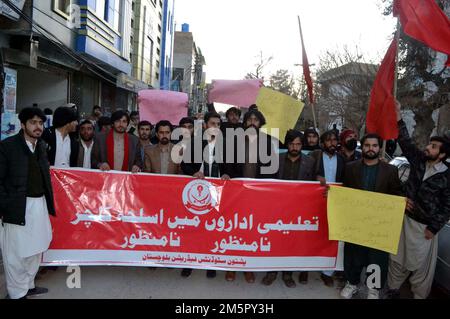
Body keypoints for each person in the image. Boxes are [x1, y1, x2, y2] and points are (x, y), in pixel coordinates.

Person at [386, 101, 450, 299]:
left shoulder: (447, 176)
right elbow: (405, 142)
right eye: (430, 144)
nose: (428, 148)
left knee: (420, 268)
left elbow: (447, 206)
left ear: (442, 154)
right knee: (396, 261)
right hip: (403, 221)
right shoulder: (419, 161)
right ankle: (392, 292)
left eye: (433, 146)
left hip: (424, 231)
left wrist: (433, 227)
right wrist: (398, 116)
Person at [0, 108, 55, 299]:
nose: (38, 127)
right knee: (15, 254)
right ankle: (16, 293)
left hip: (38, 205)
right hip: (16, 207)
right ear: (22, 125)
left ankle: (28, 285)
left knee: (36, 247)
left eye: (40, 123)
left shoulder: (41, 146)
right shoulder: (8, 147)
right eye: (33, 122)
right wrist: (6, 205)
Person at [340, 133, 403, 299]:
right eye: (367, 145)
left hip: (379, 224)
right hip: (356, 221)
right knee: (353, 254)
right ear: (363, 146)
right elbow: (344, 192)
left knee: (377, 257)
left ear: (379, 148)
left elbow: (396, 193)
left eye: (374, 146)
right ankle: (352, 283)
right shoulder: (350, 167)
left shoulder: (391, 170)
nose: (370, 149)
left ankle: (373, 288)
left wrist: (400, 202)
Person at [261, 130, 316, 288]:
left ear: (302, 145)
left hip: (298, 210)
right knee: (274, 239)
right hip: (277, 208)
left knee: (292, 241)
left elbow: (313, 185)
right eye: (292, 144)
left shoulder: (310, 162)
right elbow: (267, 182)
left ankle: (288, 274)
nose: (295, 147)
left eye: (298, 144)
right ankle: (271, 272)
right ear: (287, 144)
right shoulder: (276, 159)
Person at [229, 108, 278, 284]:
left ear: (260, 124)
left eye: (255, 121)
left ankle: (248, 268)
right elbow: (228, 166)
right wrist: (229, 177)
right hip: (236, 194)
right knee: (234, 230)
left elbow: (272, 170)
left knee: (252, 232)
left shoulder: (267, 144)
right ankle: (233, 267)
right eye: (249, 120)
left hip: (257, 196)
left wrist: (262, 189)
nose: (251, 123)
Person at [180, 112, 232, 279]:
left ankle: (211, 262)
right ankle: (189, 263)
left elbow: (232, 168)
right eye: (212, 123)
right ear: (205, 125)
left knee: (214, 229)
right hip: (197, 192)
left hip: (218, 193)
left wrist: (226, 174)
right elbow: (184, 165)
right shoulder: (195, 144)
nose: (215, 127)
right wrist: (194, 172)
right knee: (194, 228)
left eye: (218, 124)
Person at [308, 130, 346, 287]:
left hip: (335, 203)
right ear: (322, 143)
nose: (331, 143)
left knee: (330, 235)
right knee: (311, 234)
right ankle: (305, 269)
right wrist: (316, 177)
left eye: (334, 140)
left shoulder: (342, 160)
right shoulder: (314, 156)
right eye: (328, 140)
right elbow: (306, 174)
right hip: (314, 201)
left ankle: (327, 272)